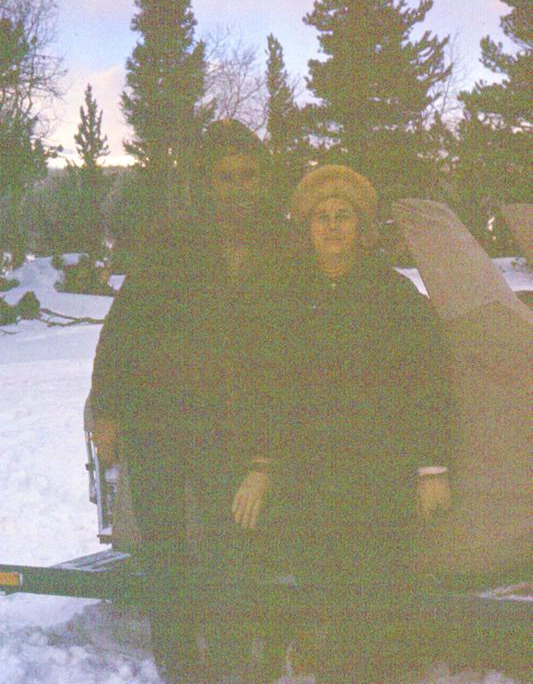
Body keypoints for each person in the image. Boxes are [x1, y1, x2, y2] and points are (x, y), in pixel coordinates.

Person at [232, 164, 454, 683]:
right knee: (326, 604)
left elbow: (428, 387)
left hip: (378, 480)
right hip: (309, 481)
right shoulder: (281, 297)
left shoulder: (394, 296)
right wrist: (261, 466)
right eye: (321, 216)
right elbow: (261, 388)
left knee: (380, 605)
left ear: (362, 226)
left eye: (344, 215)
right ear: (306, 226)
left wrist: (432, 470)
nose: (332, 226)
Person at [90, 118, 287, 684]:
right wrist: (106, 410)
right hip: (156, 420)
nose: (238, 188)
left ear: (262, 181)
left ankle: (229, 660)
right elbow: (123, 329)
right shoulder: (171, 240)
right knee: (166, 551)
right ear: (208, 182)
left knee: (230, 549)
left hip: (226, 425)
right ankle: (178, 663)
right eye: (226, 176)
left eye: (248, 175)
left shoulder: (279, 246)